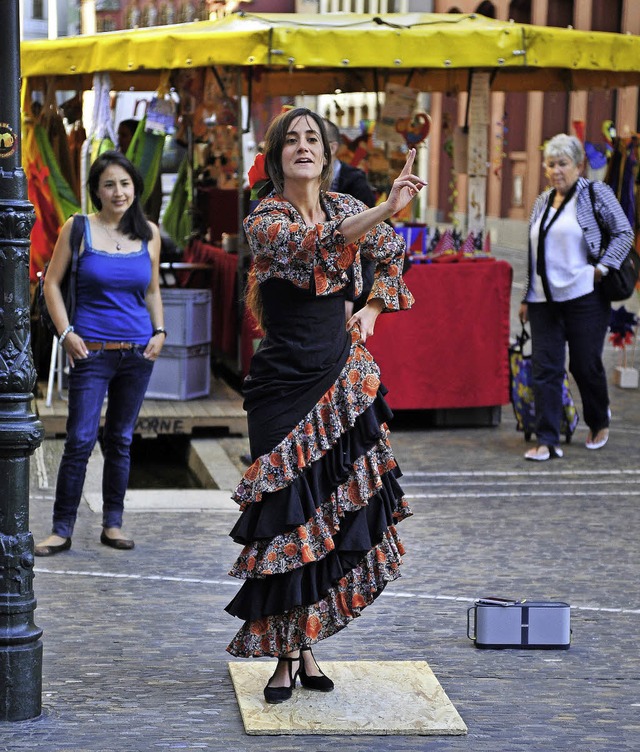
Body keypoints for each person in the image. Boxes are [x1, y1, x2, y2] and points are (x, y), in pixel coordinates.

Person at [225, 107, 425, 704]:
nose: (304, 146)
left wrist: (370, 310)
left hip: (340, 382)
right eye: (293, 140)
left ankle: (302, 647)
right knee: (289, 519)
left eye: (314, 138)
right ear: (276, 156)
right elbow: (318, 243)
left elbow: (389, 255)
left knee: (327, 522)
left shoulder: (344, 205)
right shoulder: (266, 217)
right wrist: (386, 209)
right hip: (282, 387)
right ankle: (287, 655)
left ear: (327, 153)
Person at [34, 151, 166, 555]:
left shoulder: (149, 233)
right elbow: (51, 285)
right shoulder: (78, 228)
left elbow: (152, 289)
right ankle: (61, 528)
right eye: (109, 184)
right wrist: (66, 332)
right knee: (79, 439)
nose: (118, 191)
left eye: (125, 183)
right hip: (90, 350)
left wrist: (160, 331)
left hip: (137, 353)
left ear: (135, 188)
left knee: (122, 439)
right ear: (96, 190)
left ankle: (113, 523)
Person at [519, 133, 633, 462]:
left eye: (563, 164)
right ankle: (547, 439)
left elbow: (624, 232)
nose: (556, 170)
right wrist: (527, 295)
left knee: (584, 365)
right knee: (546, 369)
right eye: (551, 164)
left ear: (579, 166)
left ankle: (598, 418)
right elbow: (533, 252)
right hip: (544, 300)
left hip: (585, 295)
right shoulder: (542, 201)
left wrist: (601, 269)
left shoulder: (596, 193)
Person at [324, 118, 378, 317]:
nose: (303, 148)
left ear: (332, 148)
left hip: (353, 286)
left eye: (312, 140)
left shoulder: (355, 182)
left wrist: (349, 295)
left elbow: (368, 240)